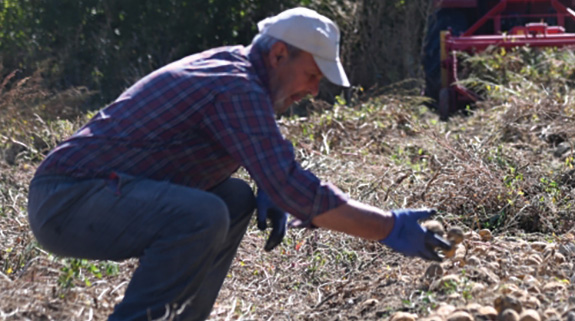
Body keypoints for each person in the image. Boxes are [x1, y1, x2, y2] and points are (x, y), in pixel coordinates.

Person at [27, 7, 451, 321]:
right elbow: (292, 187)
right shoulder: (236, 87)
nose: (313, 90)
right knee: (203, 213)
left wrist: (267, 180)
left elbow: (270, 162)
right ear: (279, 54)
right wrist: (388, 227)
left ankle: (183, 317)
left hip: (97, 194)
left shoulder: (237, 70)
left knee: (232, 198)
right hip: (68, 199)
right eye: (313, 75)